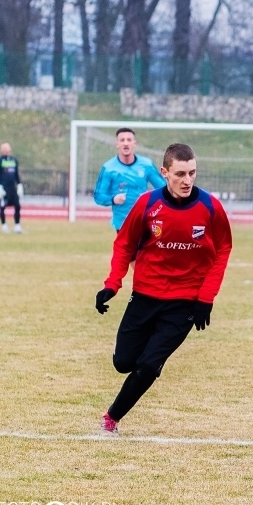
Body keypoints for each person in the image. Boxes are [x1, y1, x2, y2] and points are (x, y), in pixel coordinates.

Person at [95, 143, 233, 435]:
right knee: (123, 362)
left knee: (148, 365)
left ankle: (111, 419)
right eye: (180, 173)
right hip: (145, 296)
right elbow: (124, 245)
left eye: (192, 173)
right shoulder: (147, 204)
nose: (187, 180)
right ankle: (137, 370)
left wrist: (206, 298)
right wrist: (112, 284)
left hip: (185, 302)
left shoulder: (210, 207)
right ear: (164, 172)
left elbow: (223, 249)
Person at [93, 127, 166, 231]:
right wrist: (113, 199)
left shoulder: (146, 165)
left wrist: (150, 198)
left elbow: (164, 188)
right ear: (117, 144)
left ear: (134, 143)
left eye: (129, 140)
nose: (126, 143)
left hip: (144, 221)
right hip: (121, 225)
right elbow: (98, 196)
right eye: (122, 140)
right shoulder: (108, 168)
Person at [0, 142, 23, 234]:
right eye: (4, 148)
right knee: (3, 207)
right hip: (4, 188)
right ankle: (4, 226)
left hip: (12, 188)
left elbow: (16, 174)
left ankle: (17, 225)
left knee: (17, 206)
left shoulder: (14, 160)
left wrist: (19, 184)